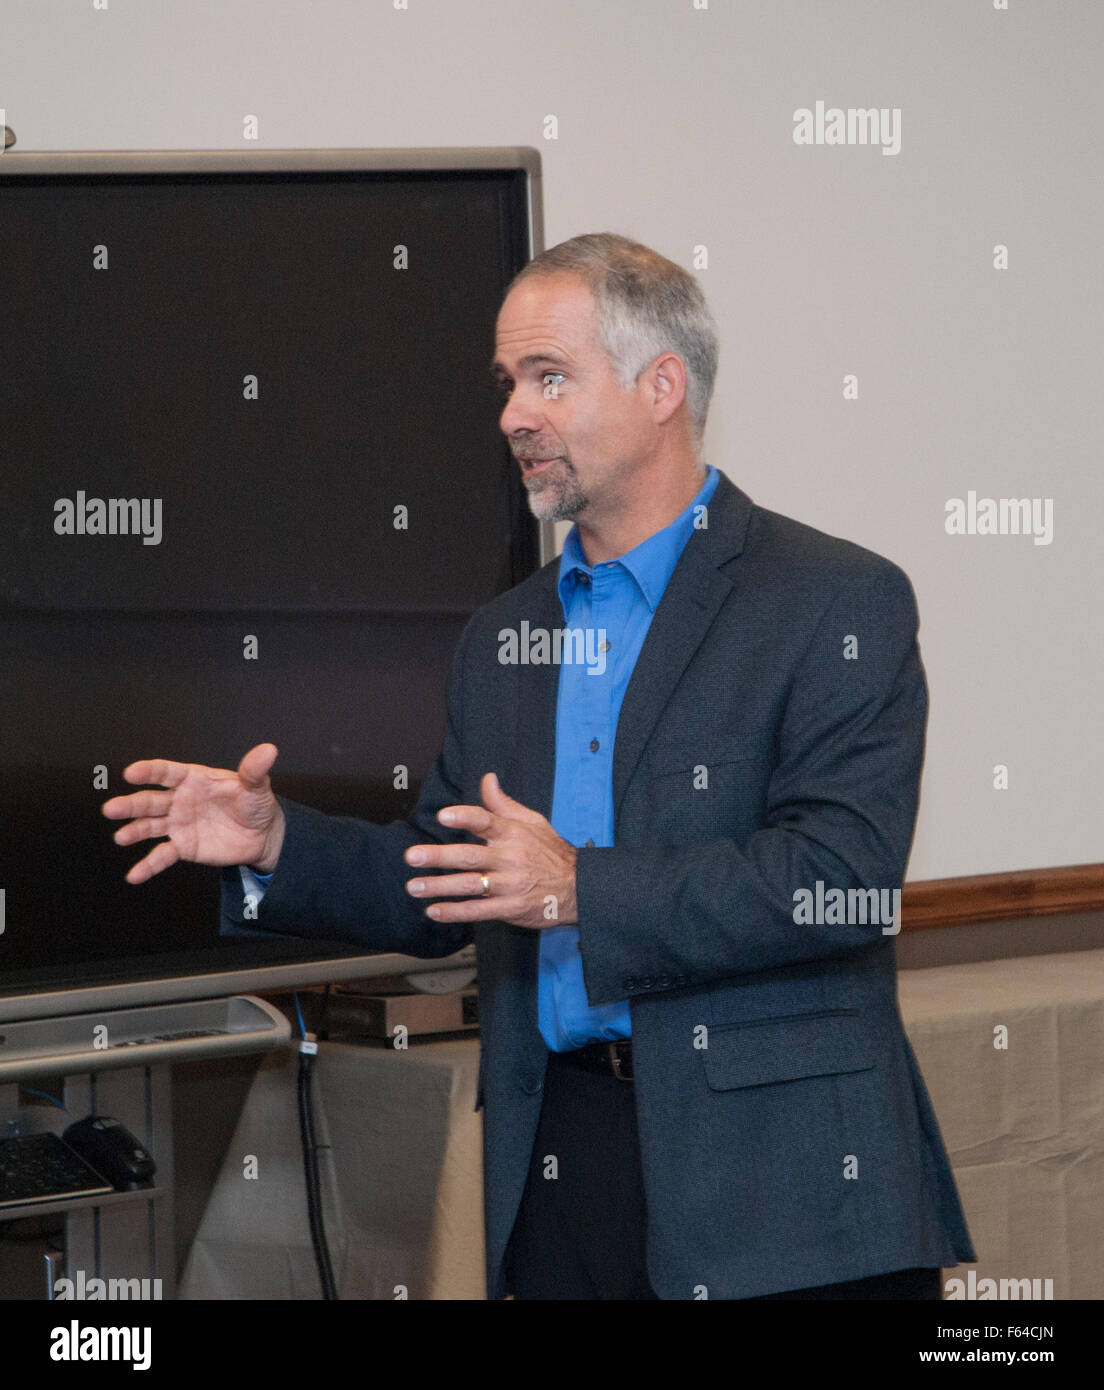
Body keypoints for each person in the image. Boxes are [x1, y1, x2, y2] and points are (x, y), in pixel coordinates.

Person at [103, 232, 976, 1300]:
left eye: (549, 378)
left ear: (663, 387)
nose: (514, 413)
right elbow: (449, 880)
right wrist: (279, 843)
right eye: (509, 382)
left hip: (784, 1188)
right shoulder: (503, 635)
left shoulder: (834, 601)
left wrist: (575, 886)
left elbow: (843, 880)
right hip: (562, 1163)